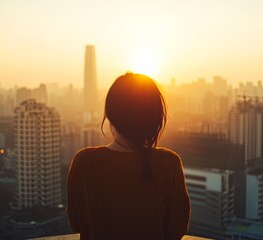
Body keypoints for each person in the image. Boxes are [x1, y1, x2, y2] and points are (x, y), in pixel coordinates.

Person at [67, 73, 190, 240]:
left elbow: (76, 223)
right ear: (155, 118)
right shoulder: (169, 164)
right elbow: (177, 229)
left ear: (110, 115)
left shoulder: (84, 162)